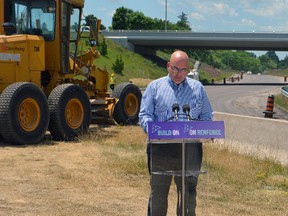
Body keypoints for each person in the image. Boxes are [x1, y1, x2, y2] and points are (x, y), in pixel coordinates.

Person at [139, 50, 213, 216]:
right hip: (161, 149)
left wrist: (206, 130)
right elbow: (144, 115)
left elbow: (207, 117)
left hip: (190, 150)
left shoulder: (198, 89)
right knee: (158, 194)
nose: (179, 74)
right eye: (175, 69)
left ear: (188, 70)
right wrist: (152, 129)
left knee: (188, 194)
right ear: (168, 66)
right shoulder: (155, 87)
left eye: (183, 70)